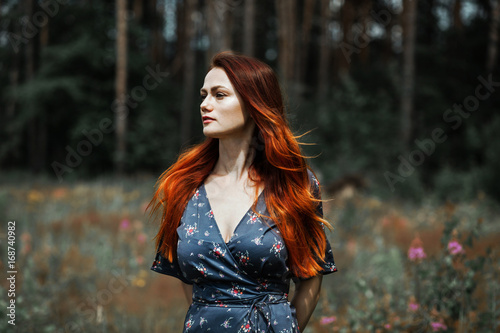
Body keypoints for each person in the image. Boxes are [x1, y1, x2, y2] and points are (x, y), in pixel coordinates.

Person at [148, 51, 337, 332]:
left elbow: (311, 278)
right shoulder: (184, 187)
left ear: (253, 105)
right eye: (203, 94)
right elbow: (189, 283)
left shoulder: (294, 185)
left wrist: (284, 327)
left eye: (219, 95)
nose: (205, 104)